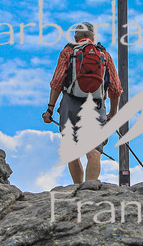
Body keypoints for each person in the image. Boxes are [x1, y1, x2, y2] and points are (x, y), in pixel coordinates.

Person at [42, 22, 123, 184]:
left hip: (69, 103)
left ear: (75, 37)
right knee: (94, 150)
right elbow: (115, 88)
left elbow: (57, 82)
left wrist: (50, 109)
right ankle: (89, 191)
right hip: (96, 104)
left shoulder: (68, 51)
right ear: (93, 37)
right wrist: (112, 113)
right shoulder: (104, 54)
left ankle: (77, 189)